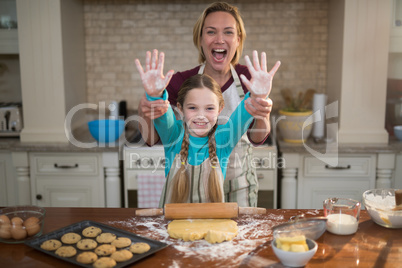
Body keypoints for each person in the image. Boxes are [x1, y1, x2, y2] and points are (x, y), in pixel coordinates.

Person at [137, 2, 277, 207]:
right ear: (200, 39)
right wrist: (153, 97)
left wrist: (258, 99)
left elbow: (247, 125)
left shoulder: (249, 80)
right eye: (211, 32)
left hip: (240, 185)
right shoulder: (175, 127)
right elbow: (161, 121)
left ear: (238, 39)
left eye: (228, 32)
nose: (220, 39)